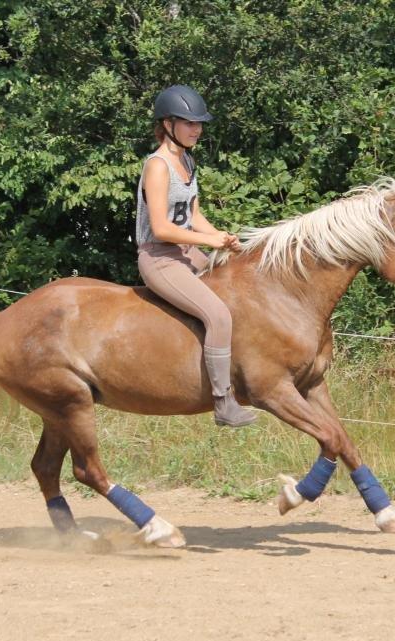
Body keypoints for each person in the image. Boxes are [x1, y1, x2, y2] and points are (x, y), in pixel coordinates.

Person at [134, 84, 257, 428]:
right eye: (190, 123)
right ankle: (223, 402)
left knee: (239, 288)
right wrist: (209, 241)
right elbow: (161, 228)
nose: (197, 129)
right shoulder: (158, 166)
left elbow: (193, 215)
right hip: (159, 258)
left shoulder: (187, 160)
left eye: (199, 123)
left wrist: (222, 237)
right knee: (217, 314)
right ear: (168, 124)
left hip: (187, 251)